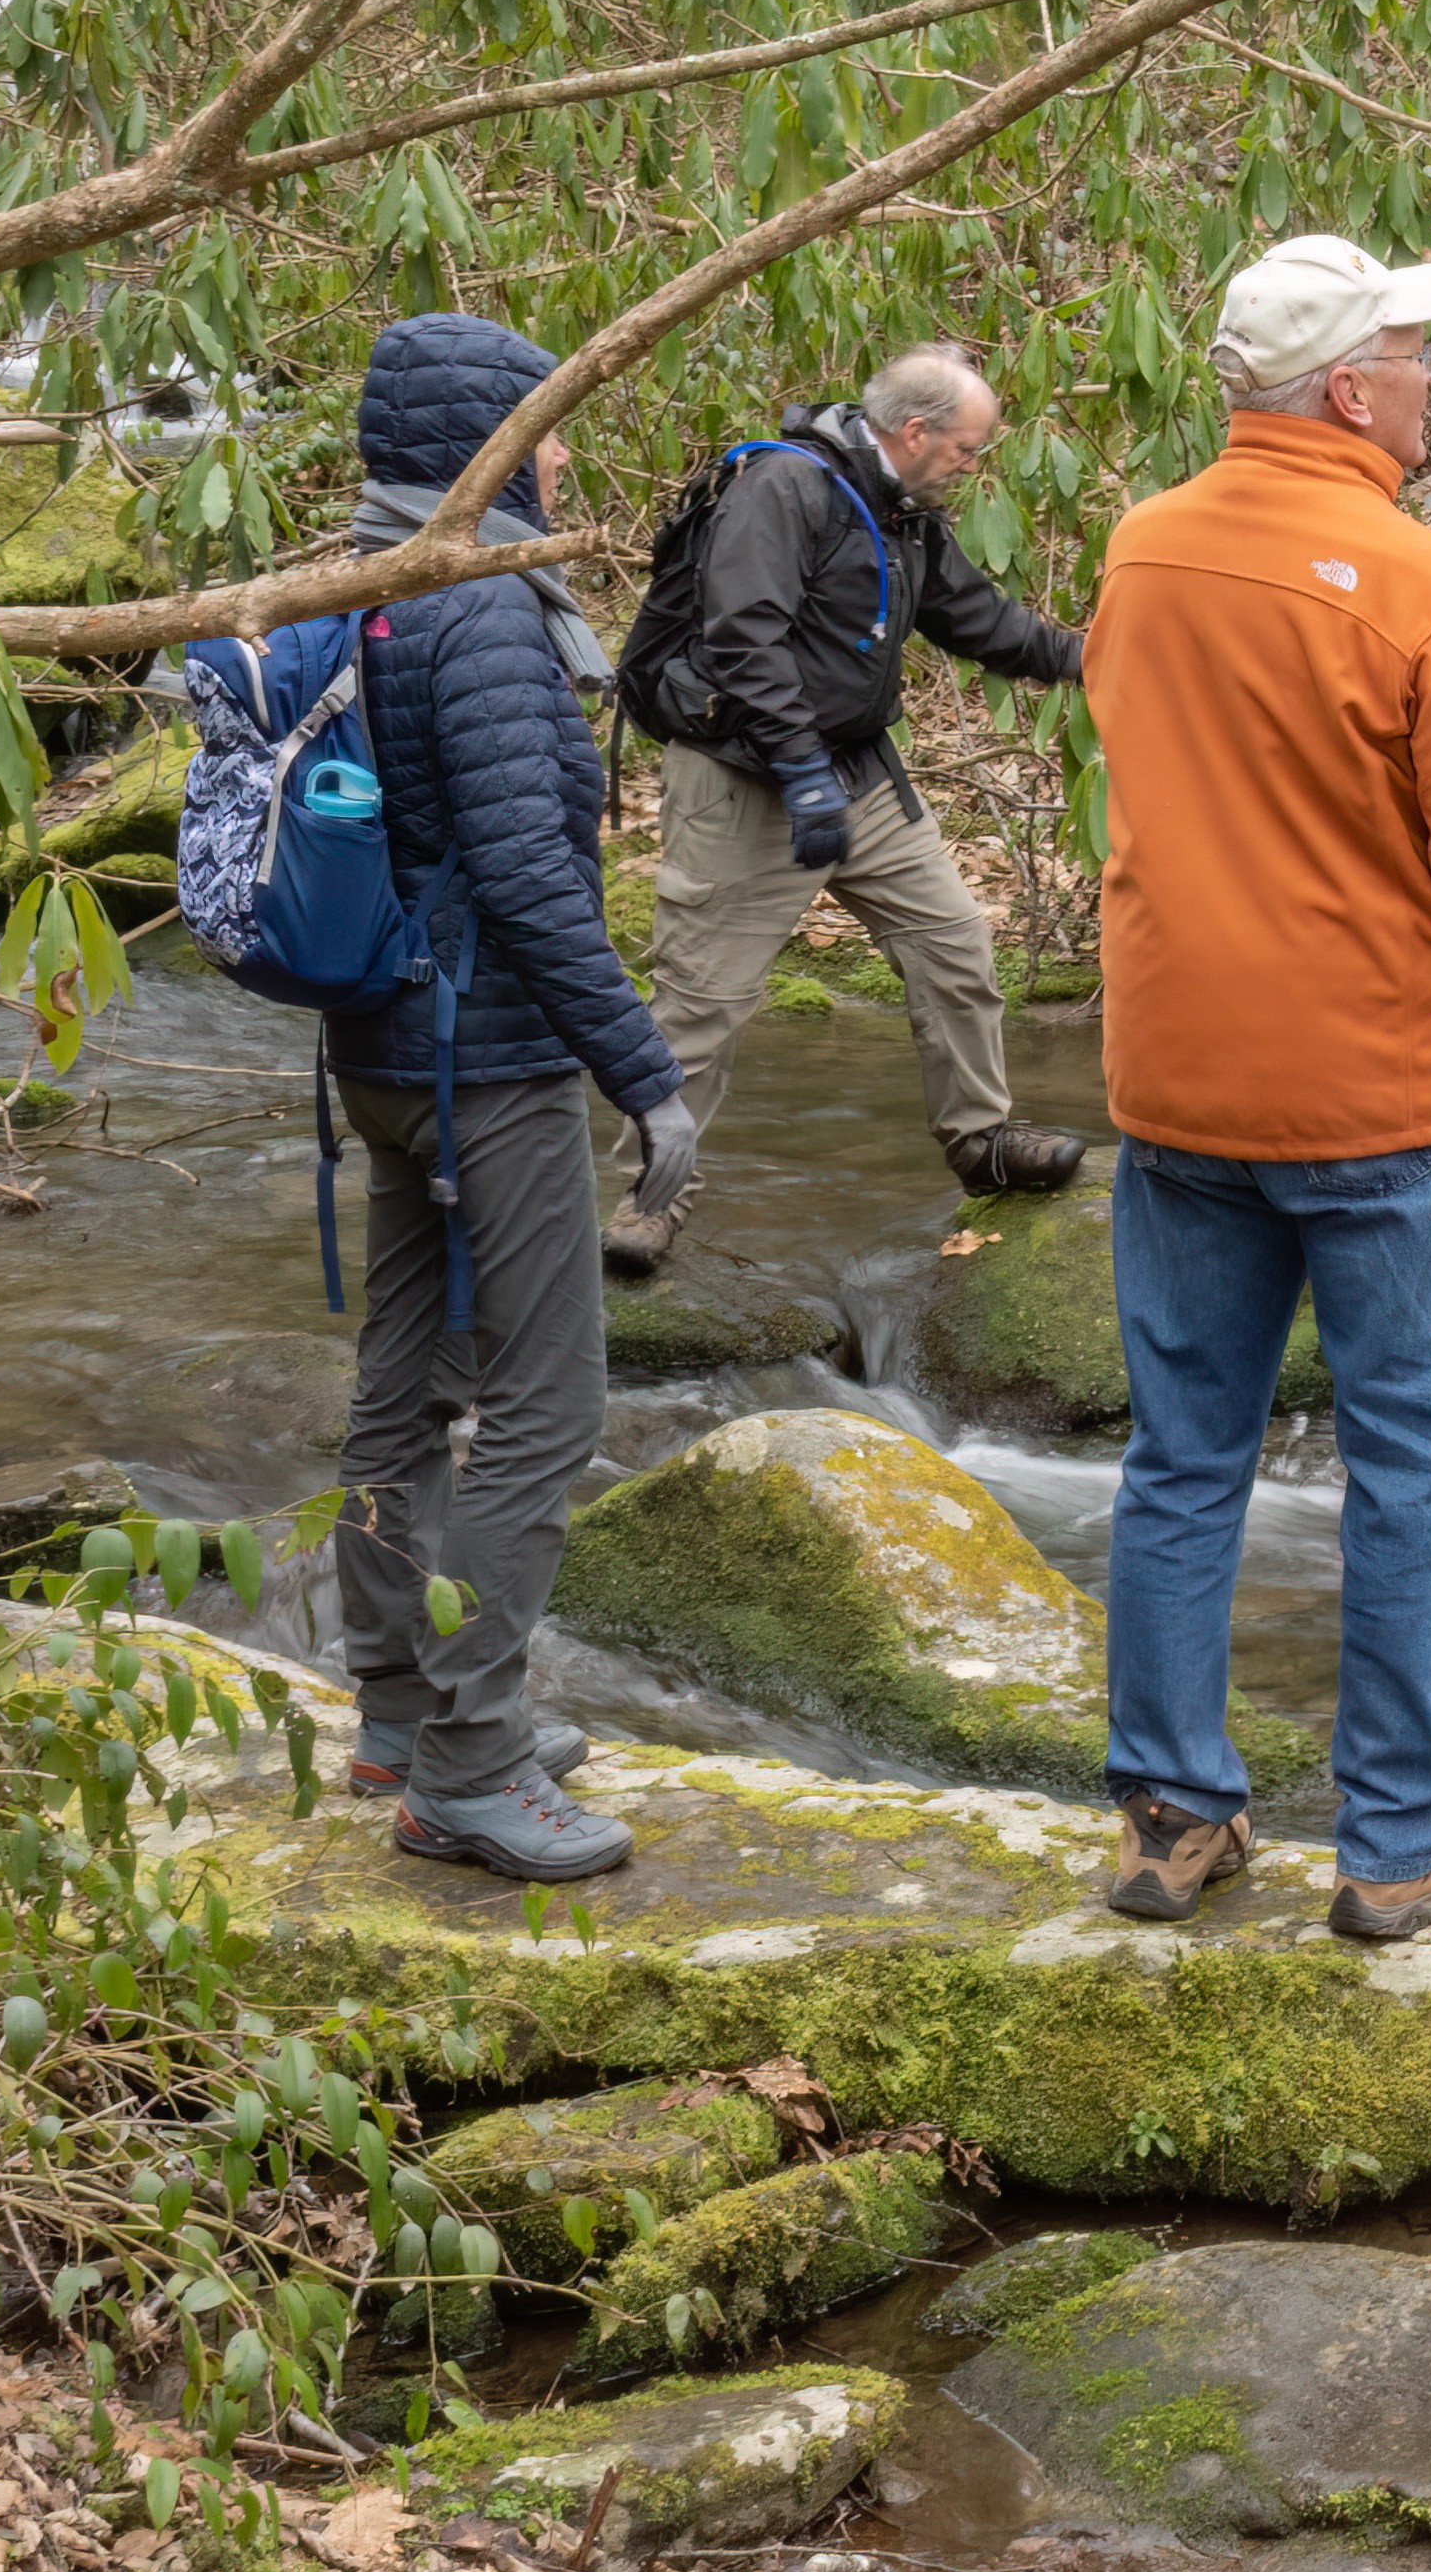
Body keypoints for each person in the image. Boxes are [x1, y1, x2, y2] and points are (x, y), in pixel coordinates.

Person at [1074, 235, 1431, 1945]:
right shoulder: (1423, 581)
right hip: (1376, 1091)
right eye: (1413, 351)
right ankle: (1400, 1836)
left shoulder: (1141, 550)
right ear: (1350, 389)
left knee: (1184, 1454)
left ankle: (1168, 1814)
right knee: (1420, 1457)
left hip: (1180, 1079)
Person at [326, 309, 689, 1881]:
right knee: (544, 1410)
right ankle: (468, 1763)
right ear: (494, 443)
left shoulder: (366, 580)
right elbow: (536, 882)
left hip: (387, 1052)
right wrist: (649, 1077)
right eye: (545, 423)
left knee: (405, 1389)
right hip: (489, 1061)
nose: (563, 450)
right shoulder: (478, 611)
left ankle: (403, 1710)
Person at [618, 341, 1093, 1273]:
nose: (969, 464)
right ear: (914, 432)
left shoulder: (903, 510)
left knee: (954, 943)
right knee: (701, 1003)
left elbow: (977, 619)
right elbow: (743, 638)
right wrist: (798, 771)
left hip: (856, 775)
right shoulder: (782, 490)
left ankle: (981, 1140)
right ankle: (652, 1197)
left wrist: (1091, 656)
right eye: (965, 448)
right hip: (744, 777)